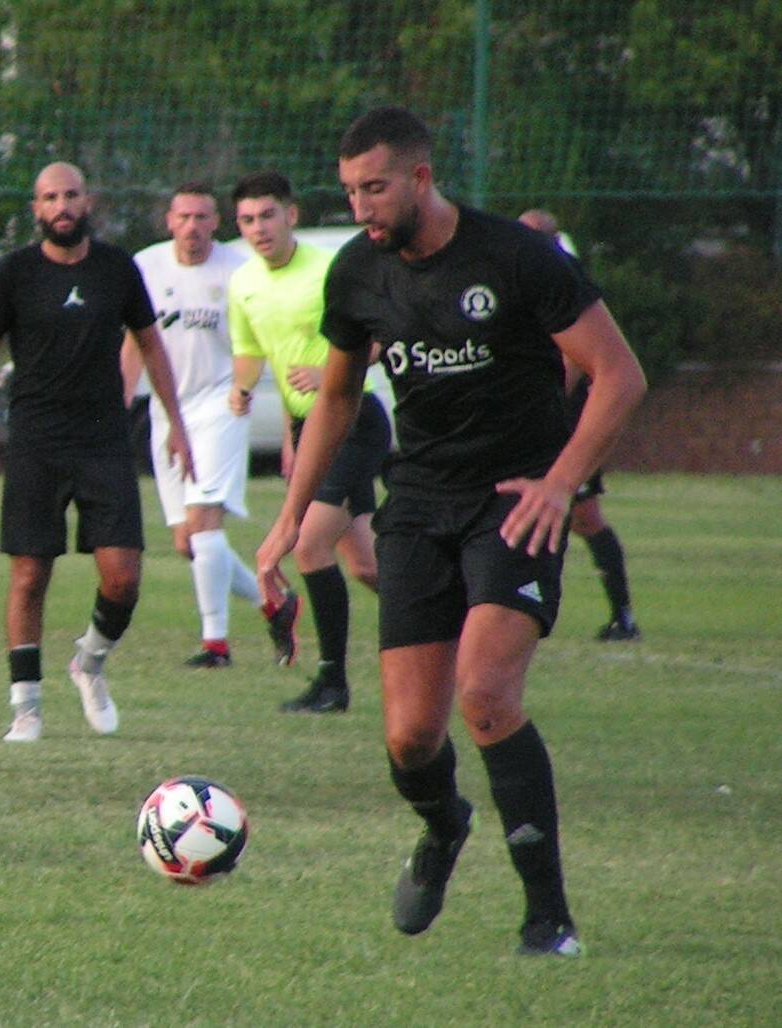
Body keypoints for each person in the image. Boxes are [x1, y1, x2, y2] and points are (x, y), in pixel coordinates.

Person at [256, 107, 646, 956]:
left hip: (513, 502)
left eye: (376, 187)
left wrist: (560, 479)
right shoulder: (358, 274)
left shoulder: (514, 257)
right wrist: (288, 518)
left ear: (421, 179)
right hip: (418, 505)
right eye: (350, 190)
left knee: (484, 693)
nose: (361, 206)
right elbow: (333, 397)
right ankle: (443, 826)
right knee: (409, 737)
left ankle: (547, 918)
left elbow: (618, 373)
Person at [0, 161, 193, 743]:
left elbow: (152, 348)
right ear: (36, 209)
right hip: (35, 440)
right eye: (50, 197)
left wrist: (176, 424)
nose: (62, 205)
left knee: (124, 576)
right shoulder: (14, 274)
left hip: (104, 439)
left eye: (71, 195)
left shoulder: (117, 269)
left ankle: (89, 660)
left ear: (89, 201)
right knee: (30, 574)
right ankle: (26, 707)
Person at [227, 171, 392, 713]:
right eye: (248, 220)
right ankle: (449, 624)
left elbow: (384, 332)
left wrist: (332, 374)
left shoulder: (329, 270)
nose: (259, 228)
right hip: (309, 430)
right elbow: (249, 348)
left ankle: (332, 683)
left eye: (267, 216)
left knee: (310, 544)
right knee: (366, 567)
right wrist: (244, 386)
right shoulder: (244, 284)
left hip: (354, 420)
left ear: (291, 215)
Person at [121, 183, 301, 670]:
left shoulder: (239, 271)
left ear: (215, 223)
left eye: (202, 217)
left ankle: (216, 645)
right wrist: (119, 402)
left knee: (204, 525)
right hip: (167, 411)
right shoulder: (146, 266)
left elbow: (271, 349)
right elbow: (134, 341)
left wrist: (289, 431)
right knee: (189, 543)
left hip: (222, 405)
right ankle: (274, 604)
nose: (192, 227)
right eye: (183, 217)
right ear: (169, 221)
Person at [518, 208, 641, 641]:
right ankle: (518, 604)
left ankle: (623, 616)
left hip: (568, 418)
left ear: (549, 242)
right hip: (537, 414)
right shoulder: (521, 277)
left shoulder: (561, 277)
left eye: (528, 235)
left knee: (585, 517)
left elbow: (575, 356)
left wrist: (547, 400)